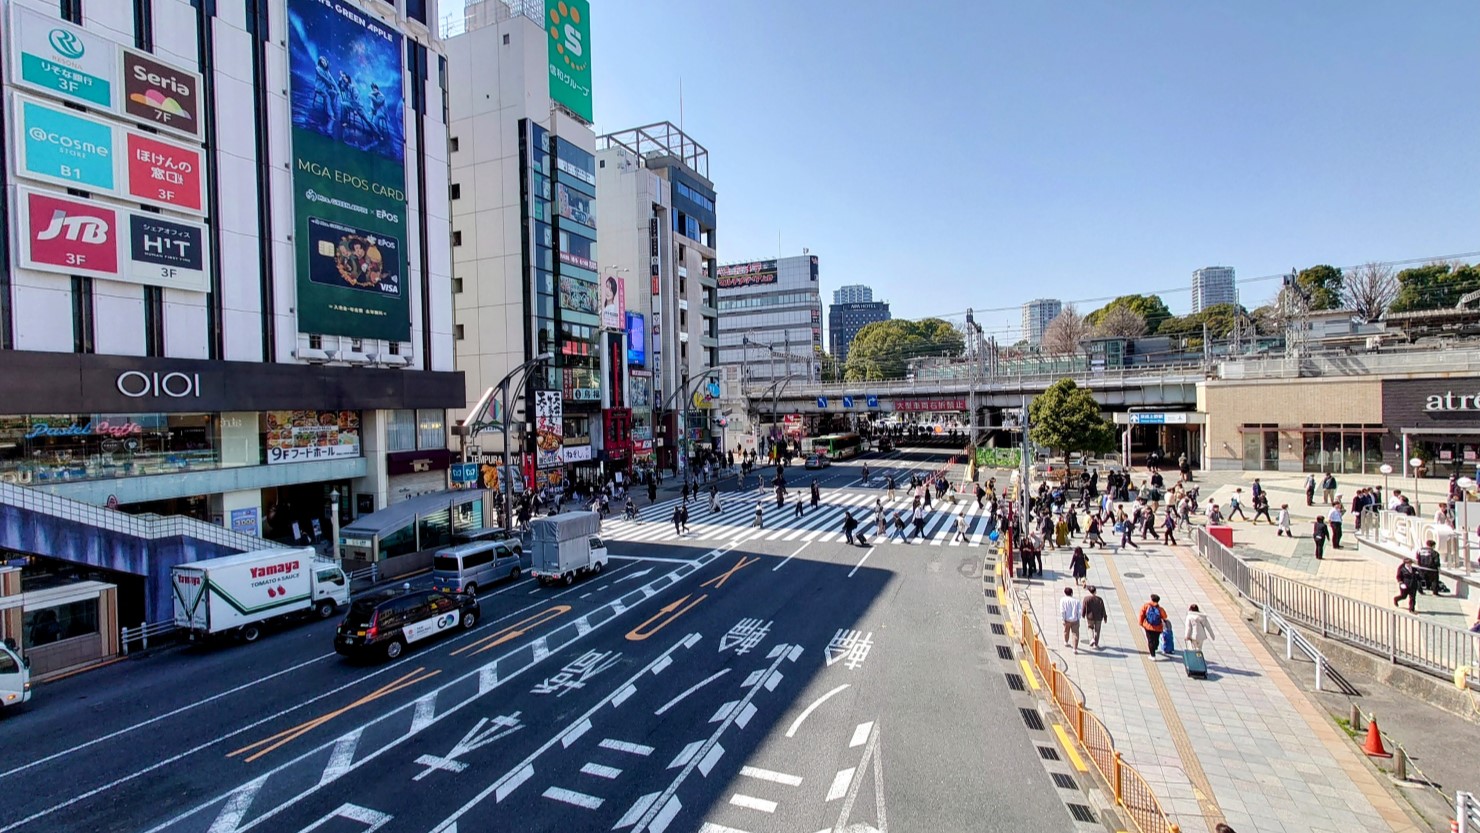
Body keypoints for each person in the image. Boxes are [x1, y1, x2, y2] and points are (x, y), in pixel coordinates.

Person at [1060, 587, 1083, 653]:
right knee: (1075, 634)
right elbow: (1079, 611)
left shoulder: (1063, 600)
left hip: (1066, 619)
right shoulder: (1076, 601)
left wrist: (1063, 619)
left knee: (1066, 631)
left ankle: (1066, 641)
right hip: (1075, 620)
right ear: (1072, 593)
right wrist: (1078, 618)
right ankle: (1075, 648)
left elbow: (1062, 611)